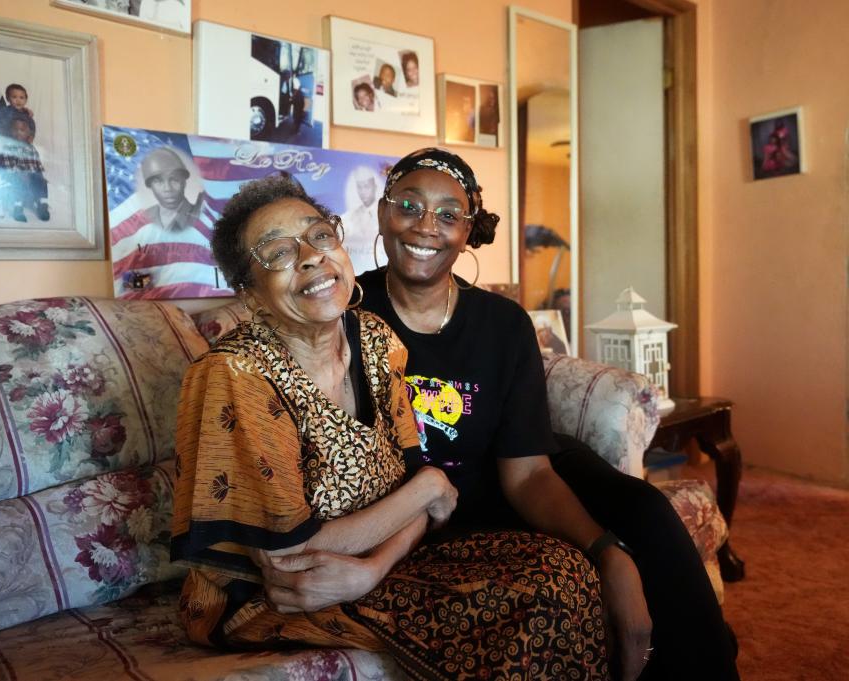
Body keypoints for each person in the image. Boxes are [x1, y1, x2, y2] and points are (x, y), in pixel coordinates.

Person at [262, 148, 741, 681]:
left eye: (448, 215)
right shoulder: (343, 313)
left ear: (467, 232)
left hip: (521, 471)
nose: (426, 227)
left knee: (649, 515)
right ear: (381, 213)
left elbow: (529, 470)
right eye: (409, 205)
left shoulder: (503, 323)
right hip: (431, 506)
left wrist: (607, 554)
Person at [170, 174, 609, 680]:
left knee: (563, 568)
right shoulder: (235, 374)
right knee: (534, 604)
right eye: (277, 253)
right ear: (249, 293)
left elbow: (417, 491)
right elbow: (290, 556)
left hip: (376, 569)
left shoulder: (376, 339)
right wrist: (427, 487)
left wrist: (373, 568)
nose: (311, 256)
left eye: (319, 235)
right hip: (271, 596)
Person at [110, 146, 213, 298]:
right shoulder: (144, 220)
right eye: (158, 182)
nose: (167, 189)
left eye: (174, 180)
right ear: (150, 186)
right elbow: (130, 283)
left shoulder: (206, 219)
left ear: (184, 182)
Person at [0, 118, 49, 222]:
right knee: (19, 183)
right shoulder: (8, 147)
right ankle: (18, 208)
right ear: (10, 131)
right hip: (14, 174)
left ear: (29, 133)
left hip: (30, 174)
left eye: (22, 130)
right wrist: (20, 174)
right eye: (15, 129)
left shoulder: (31, 148)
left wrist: (39, 176)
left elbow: (37, 164)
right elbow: (8, 165)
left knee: (41, 182)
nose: (18, 132)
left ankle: (42, 205)